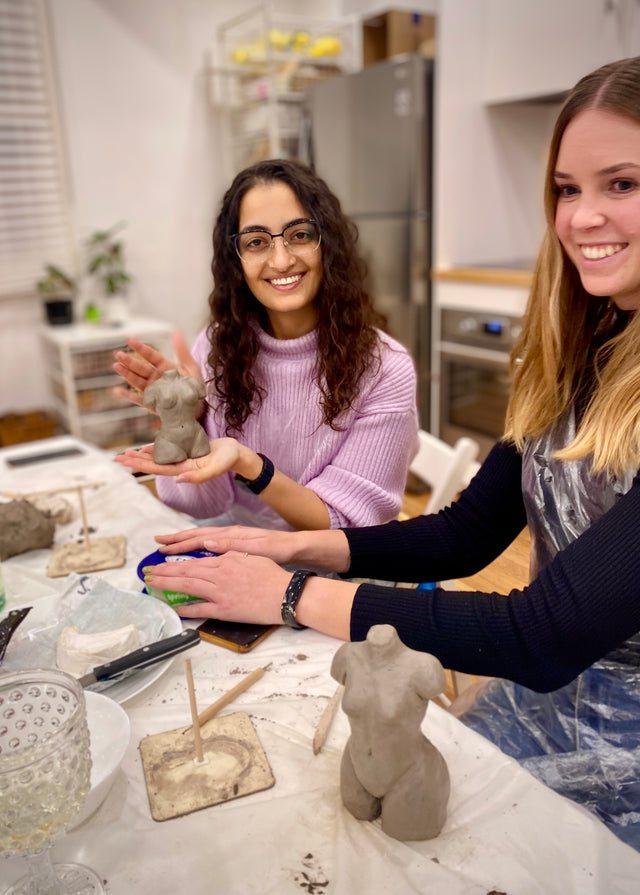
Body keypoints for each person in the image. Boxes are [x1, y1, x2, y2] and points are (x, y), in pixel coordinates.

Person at [140, 57, 640, 851]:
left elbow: (541, 633)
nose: (582, 218)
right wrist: (284, 543)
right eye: (567, 190)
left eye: (622, 184)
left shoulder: (383, 365)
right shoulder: (579, 353)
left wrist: (289, 591)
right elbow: (463, 535)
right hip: (551, 700)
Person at [114, 159, 419, 531]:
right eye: (256, 242)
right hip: (238, 546)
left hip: (335, 570)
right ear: (236, 260)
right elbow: (198, 504)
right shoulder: (217, 347)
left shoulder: (385, 367)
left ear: (329, 245)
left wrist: (249, 464)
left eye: (300, 235)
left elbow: (343, 526)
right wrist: (188, 421)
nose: (281, 259)